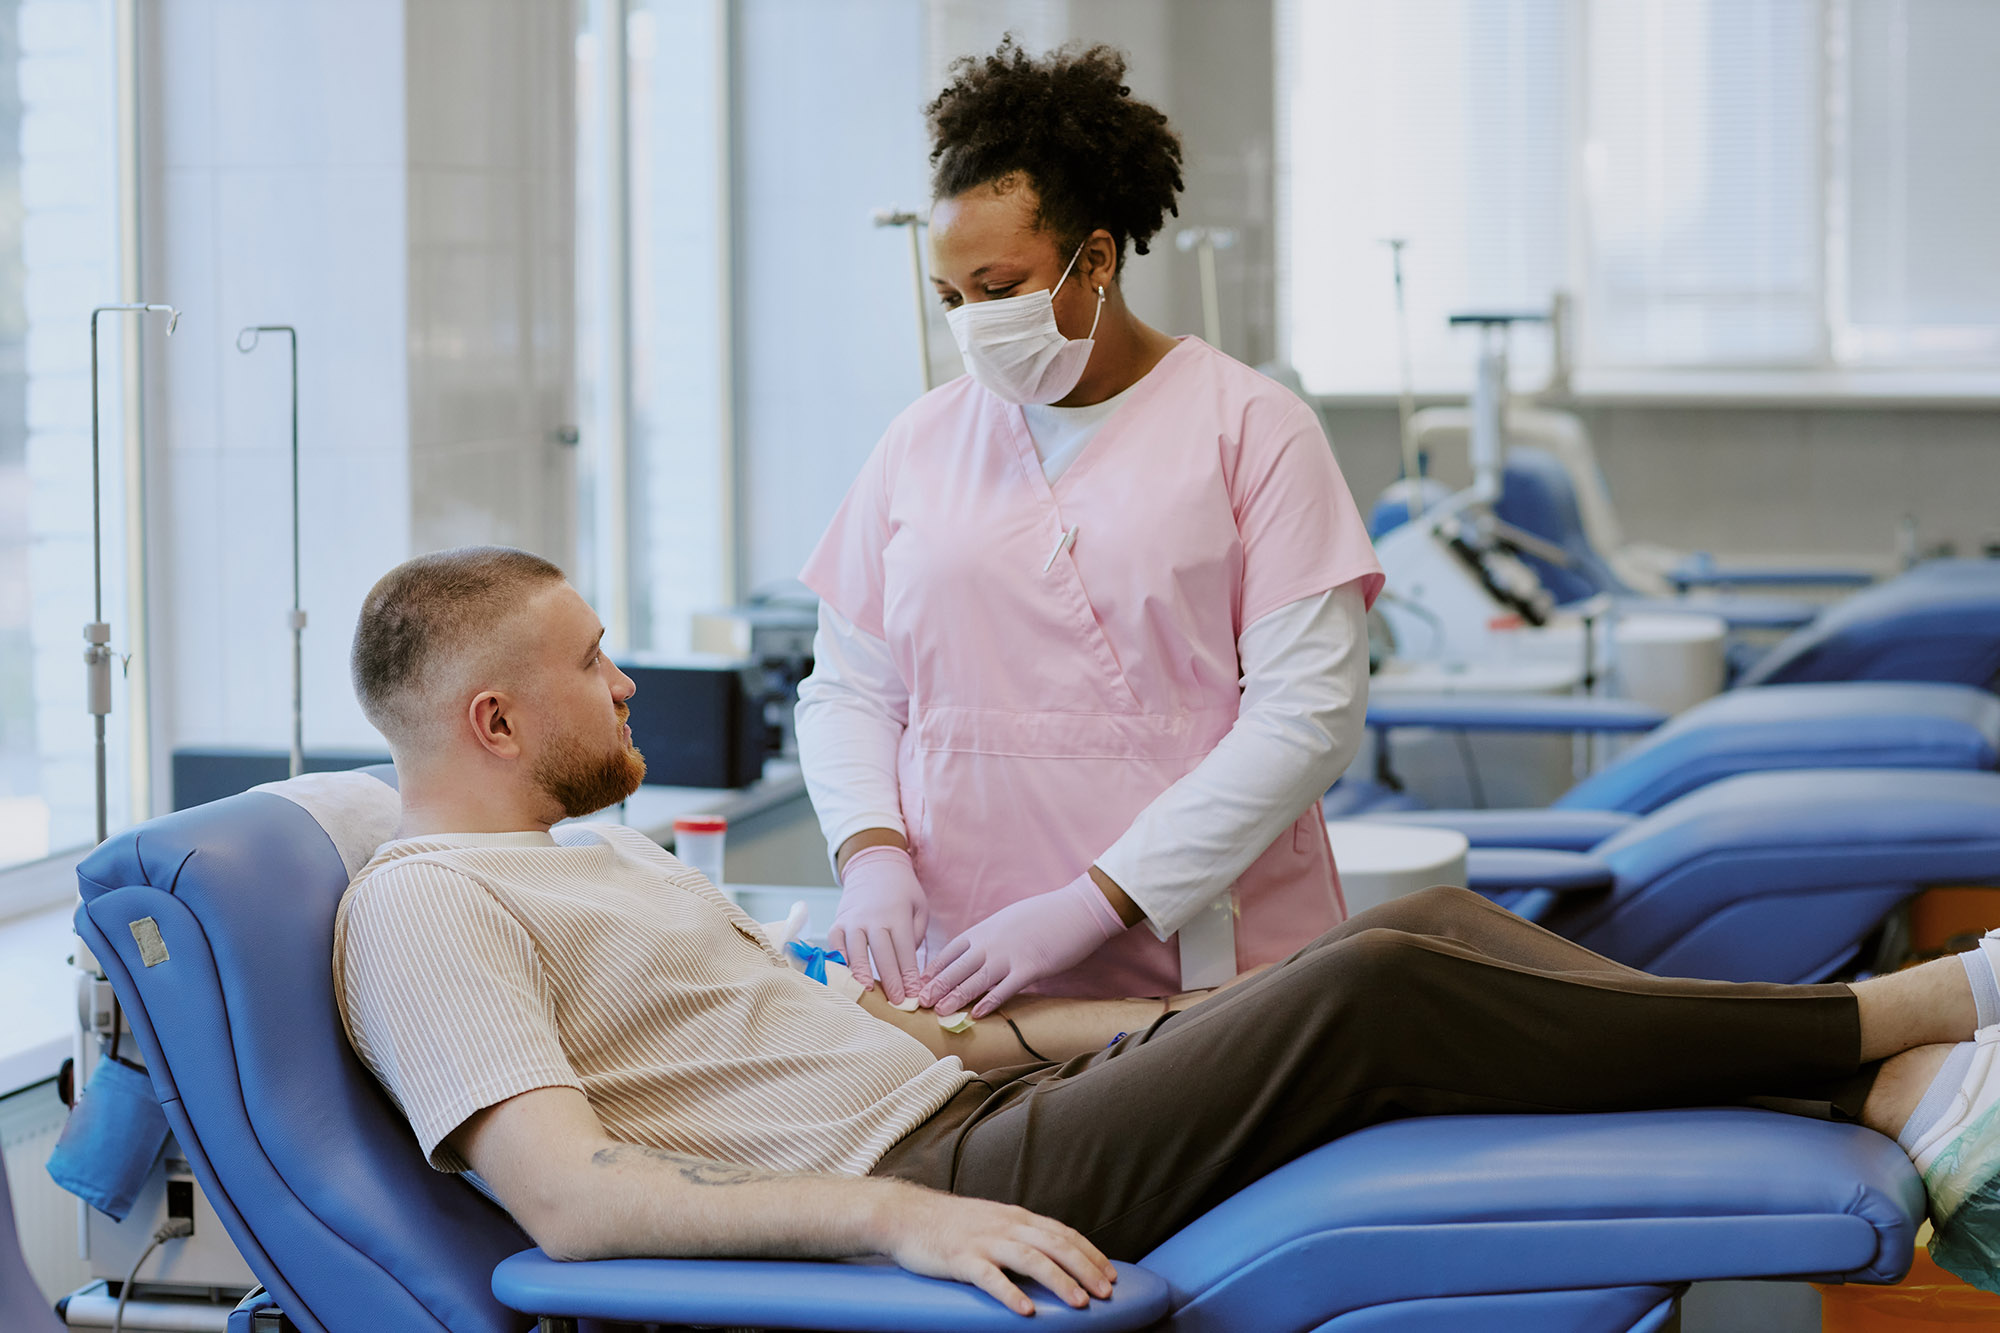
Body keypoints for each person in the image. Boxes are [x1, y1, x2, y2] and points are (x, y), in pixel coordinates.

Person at [337, 547, 2000, 1310]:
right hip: (940, 1180)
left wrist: (1191, 1022)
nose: (626, 681)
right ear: (491, 717)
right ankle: (1907, 1015)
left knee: (1413, 929)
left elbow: (932, 1040)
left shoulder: (609, 856)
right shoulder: (426, 908)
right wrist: (890, 1226)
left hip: (978, 1107)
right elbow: (569, 1197)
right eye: (592, 659)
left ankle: (1859, 1092)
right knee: (1390, 983)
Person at [794, 40, 1385, 1018]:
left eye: (999, 287)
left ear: (1097, 257)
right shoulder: (922, 439)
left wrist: (1091, 902)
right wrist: (869, 851)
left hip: (1198, 961)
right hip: (959, 969)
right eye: (950, 299)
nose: (972, 323)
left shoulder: (1251, 427)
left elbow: (1306, 716)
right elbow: (850, 686)